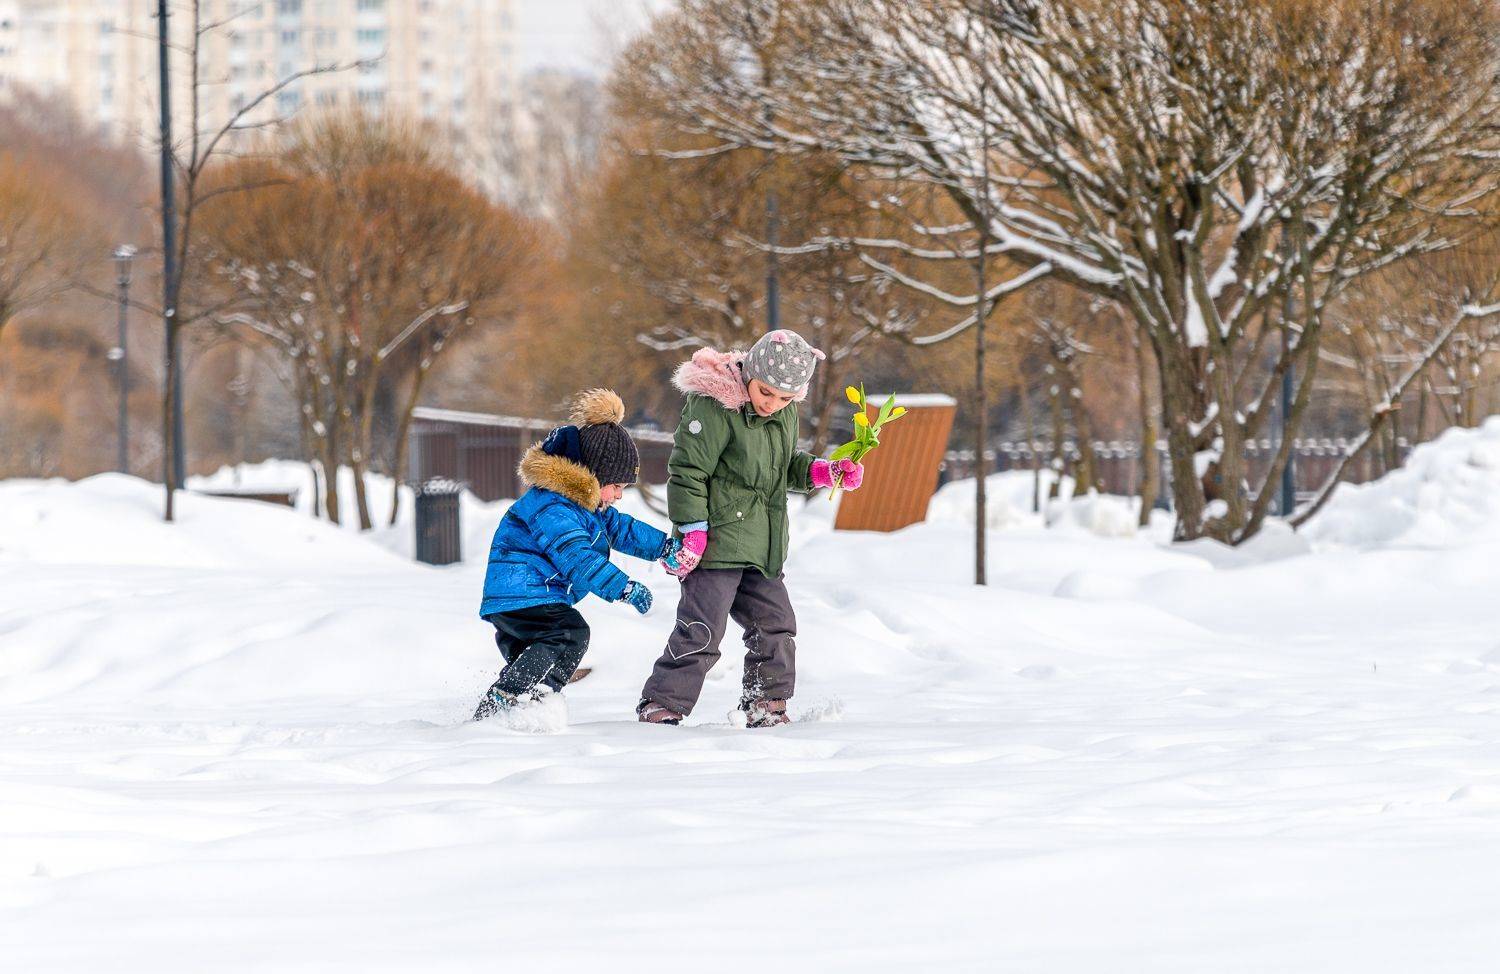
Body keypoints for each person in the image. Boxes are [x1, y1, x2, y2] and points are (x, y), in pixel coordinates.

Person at [638, 329, 865, 728]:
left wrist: (823, 471)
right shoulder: (713, 408)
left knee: (776, 626)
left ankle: (766, 703)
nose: (773, 404)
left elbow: (782, 466)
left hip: (762, 547)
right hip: (716, 545)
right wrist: (692, 529)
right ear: (751, 373)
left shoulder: (783, 414)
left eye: (786, 398)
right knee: (702, 631)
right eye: (766, 392)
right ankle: (663, 703)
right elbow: (687, 472)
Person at [474, 389, 680, 720]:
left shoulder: (586, 507)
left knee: (536, 658)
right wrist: (622, 587)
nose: (618, 496)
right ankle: (525, 699)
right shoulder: (554, 506)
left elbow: (623, 530)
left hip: (522, 598)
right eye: (616, 486)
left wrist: (665, 547)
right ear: (592, 476)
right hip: (523, 596)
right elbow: (578, 558)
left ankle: (505, 711)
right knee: (570, 634)